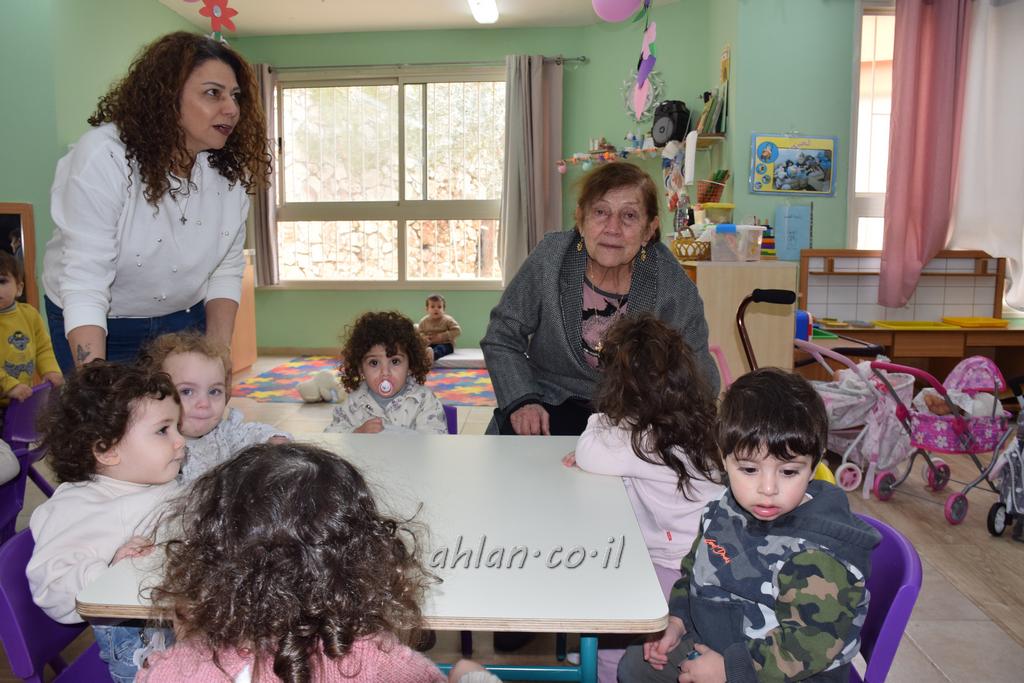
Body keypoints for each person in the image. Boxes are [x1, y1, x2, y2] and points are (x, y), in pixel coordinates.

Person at [139, 442, 499, 683]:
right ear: (363, 563)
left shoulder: (173, 671)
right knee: (466, 668)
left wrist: (190, 640)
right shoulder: (388, 665)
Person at [618, 368, 881, 683]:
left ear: (813, 466)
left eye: (788, 472)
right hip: (723, 638)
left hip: (790, 670)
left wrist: (729, 669)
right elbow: (694, 571)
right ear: (724, 458)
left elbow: (807, 647)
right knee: (636, 667)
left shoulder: (818, 556)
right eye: (749, 469)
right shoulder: (723, 508)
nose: (767, 489)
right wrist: (677, 619)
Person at [43, 31, 272, 373]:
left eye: (235, 96)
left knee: (191, 406)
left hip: (184, 318)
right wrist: (93, 383)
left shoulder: (226, 171)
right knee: (108, 407)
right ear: (167, 97)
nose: (232, 109)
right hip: (100, 321)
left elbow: (226, 267)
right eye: (213, 93)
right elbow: (85, 281)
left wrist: (219, 356)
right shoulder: (104, 157)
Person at [481, 162, 718, 438]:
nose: (612, 228)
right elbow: (502, 335)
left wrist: (664, 419)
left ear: (649, 230)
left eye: (629, 215)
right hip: (549, 403)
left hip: (635, 417)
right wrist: (522, 399)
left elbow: (700, 373)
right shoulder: (551, 259)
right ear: (581, 219)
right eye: (601, 212)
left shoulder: (670, 282)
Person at [562, 313, 725, 683]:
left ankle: (601, 665)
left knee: (614, 610)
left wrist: (601, 421)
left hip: (681, 565)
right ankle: (595, 650)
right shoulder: (688, 422)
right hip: (701, 553)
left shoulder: (642, 437)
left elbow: (589, 451)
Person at [26, 361, 185, 682]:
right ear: (107, 450)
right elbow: (51, 588)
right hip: (143, 659)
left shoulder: (153, 480)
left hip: (181, 628)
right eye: (163, 430)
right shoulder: (78, 509)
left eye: (177, 427)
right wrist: (109, 570)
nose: (181, 440)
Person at [141, 331, 290, 482]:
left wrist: (274, 440)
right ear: (157, 393)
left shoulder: (223, 433)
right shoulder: (153, 442)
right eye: (187, 391)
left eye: (214, 391)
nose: (204, 403)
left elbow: (251, 432)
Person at [325, 311, 447, 434]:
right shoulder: (353, 402)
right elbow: (331, 437)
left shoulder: (424, 400)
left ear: (410, 365)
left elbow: (435, 439)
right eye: (374, 363)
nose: (385, 372)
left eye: (395, 361)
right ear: (360, 368)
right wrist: (357, 433)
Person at [0, 251, 63, 405]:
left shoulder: (30, 315)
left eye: (2, 281)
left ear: (19, 288)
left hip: (20, 399)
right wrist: (9, 386)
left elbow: (43, 349)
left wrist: (51, 370)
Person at [418, 293, 462, 363]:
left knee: (441, 348)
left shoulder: (448, 320)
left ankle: (432, 356)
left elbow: (457, 331)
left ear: (444, 309)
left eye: (439, 307)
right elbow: (419, 333)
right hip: (430, 343)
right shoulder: (424, 321)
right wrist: (424, 338)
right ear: (427, 309)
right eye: (432, 307)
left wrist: (442, 336)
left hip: (445, 343)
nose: (436, 309)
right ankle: (424, 355)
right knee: (422, 348)